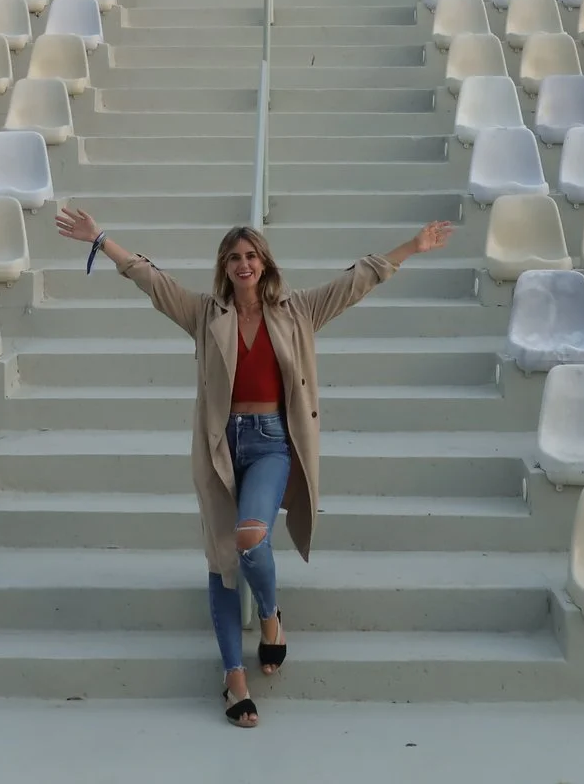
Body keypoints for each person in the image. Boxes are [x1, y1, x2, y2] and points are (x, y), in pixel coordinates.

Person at [53, 206, 453, 727]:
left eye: (251, 255)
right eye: (234, 257)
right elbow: (150, 278)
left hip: (270, 444)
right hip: (221, 446)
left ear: (264, 264)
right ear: (224, 266)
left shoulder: (298, 310)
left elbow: (358, 279)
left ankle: (269, 616)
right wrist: (100, 239)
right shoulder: (204, 313)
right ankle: (234, 679)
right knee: (222, 565)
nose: (243, 264)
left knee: (249, 536)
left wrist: (412, 247)